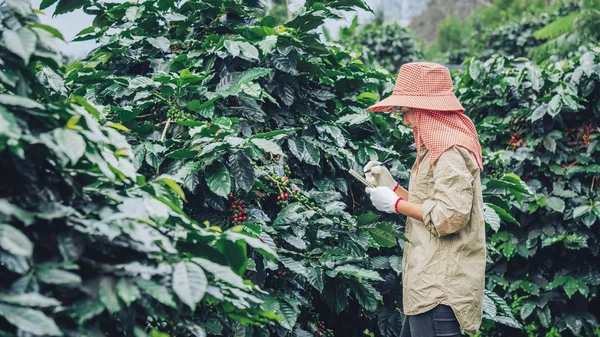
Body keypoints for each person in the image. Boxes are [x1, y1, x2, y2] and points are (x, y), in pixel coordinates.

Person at [362, 62, 486, 337]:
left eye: (404, 111)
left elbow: (448, 216)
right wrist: (391, 187)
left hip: (440, 288)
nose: (404, 120)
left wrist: (394, 205)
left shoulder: (450, 150)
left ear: (424, 108)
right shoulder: (437, 149)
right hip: (429, 283)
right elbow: (430, 203)